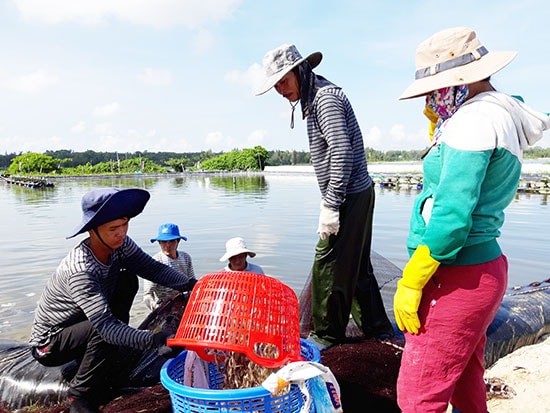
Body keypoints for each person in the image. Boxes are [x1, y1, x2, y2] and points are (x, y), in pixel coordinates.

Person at [394, 27, 550, 413]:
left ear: (458, 81)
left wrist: (412, 281)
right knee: (465, 378)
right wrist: (439, 130)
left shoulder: (473, 121)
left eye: (434, 90)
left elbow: (451, 217)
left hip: (455, 275)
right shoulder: (495, 112)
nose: (430, 99)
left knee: (418, 397)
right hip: (482, 269)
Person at [256, 44, 394, 351]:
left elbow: (341, 150)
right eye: (275, 84)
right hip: (354, 192)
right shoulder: (314, 97)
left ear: (300, 70)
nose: (280, 89)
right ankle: (376, 326)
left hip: (350, 194)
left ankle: (326, 335)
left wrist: (332, 204)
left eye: (283, 80)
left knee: (327, 262)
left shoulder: (325, 98)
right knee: (356, 266)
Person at [28, 188, 198, 413]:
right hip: (51, 342)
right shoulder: (81, 270)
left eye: (124, 224)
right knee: (102, 330)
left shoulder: (121, 246)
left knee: (128, 279)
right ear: (92, 230)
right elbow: (105, 327)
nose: (121, 233)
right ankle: (79, 394)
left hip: (86, 323)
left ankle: (108, 354)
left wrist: (193, 285)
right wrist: (155, 340)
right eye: (113, 229)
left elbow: (152, 268)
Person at [143, 223, 195, 311]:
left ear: (178, 241)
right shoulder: (155, 262)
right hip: (165, 305)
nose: (168, 245)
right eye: (164, 242)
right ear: (159, 242)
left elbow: (192, 284)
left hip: (184, 301)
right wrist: (157, 309)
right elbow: (147, 294)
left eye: (171, 241)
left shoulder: (185, 257)